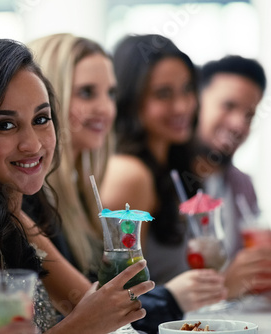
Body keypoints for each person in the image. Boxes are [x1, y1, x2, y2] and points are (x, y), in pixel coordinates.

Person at [0, 38, 155, 334]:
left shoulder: (11, 215)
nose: (33, 144)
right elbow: (86, 316)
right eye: (5, 125)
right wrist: (82, 327)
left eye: (41, 119)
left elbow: (88, 302)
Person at [100, 34, 227, 330]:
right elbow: (120, 297)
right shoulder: (130, 174)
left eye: (187, 90)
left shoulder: (174, 162)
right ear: (131, 101)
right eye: (163, 94)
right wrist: (223, 287)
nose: (182, 106)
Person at [193, 55, 271, 307]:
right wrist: (224, 286)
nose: (239, 124)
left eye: (249, 115)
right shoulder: (164, 180)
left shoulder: (242, 185)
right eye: (229, 106)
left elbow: (257, 271)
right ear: (194, 102)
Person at [25, 33, 115, 278]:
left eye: (111, 93)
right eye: (87, 93)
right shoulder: (28, 196)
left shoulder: (81, 189)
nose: (106, 108)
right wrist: (171, 296)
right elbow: (82, 305)